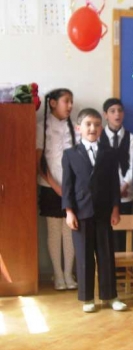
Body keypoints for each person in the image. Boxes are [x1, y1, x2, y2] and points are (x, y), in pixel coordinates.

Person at [62, 108, 127, 313]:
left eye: (97, 125)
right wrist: (69, 211)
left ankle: (110, 296)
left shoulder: (110, 153)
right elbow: (67, 186)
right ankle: (87, 298)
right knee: (84, 257)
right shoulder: (70, 154)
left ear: (101, 128)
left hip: (104, 212)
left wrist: (115, 209)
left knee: (106, 255)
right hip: (80, 213)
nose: (93, 128)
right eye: (88, 124)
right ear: (78, 128)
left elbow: (114, 184)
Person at [36, 88, 77, 291]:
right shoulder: (41, 127)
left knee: (70, 232)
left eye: (71, 102)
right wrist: (55, 186)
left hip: (71, 188)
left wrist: (69, 188)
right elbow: (38, 163)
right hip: (49, 187)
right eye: (66, 101)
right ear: (53, 103)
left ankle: (68, 274)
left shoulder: (74, 128)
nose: (70, 106)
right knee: (54, 233)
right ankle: (58, 275)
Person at [100, 98, 133, 252]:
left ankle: (121, 265)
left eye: (120, 111)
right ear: (105, 115)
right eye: (112, 111)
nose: (117, 114)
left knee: (121, 236)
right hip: (103, 194)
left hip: (125, 193)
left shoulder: (131, 138)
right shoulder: (98, 136)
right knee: (104, 233)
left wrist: (125, 185)